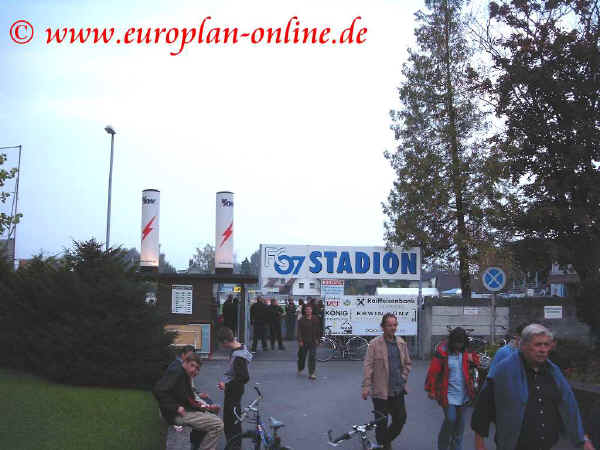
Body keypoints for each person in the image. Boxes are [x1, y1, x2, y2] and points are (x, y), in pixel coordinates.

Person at [471, 324, 592, 450]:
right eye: (538, 344)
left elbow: (569, 406)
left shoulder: (554, 373)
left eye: (546, 345)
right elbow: (483, 410)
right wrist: (480, 446)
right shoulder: (504, 372)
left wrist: (583, 439)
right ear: (523, 346)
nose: (543, 349)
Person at [361, 313, 412, 450]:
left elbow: (407, 363)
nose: (392, 328)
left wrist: (403, 377)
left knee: (400, 419)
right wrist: (366, 386)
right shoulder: (374, 344)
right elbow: (368, 365)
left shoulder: (401, 343)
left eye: (394, 325)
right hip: (380, 391)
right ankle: (385, 445)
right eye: (389, 325)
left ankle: (383, 442)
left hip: (397, 390)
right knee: (381, 423)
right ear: (383, 327)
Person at [153, 353, 223, 450]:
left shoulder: (185, 375)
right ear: (185, 362)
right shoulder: (177, 372)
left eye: (197, 368)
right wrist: (176, 407)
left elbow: (190, 400)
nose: (194, 370)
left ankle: (196, 445)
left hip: (182, 411)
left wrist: (207, 408)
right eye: (192, 365)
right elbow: (158, 390)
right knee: (217, 424)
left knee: (212, 416)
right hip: (175, 415)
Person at [425, 327, 480, 450]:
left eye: (461, 343)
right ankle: (443, 445)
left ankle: (456, 447)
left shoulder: (466, 352)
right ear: (452, 341)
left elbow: (477, 363)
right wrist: (431, 390)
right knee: (450, 419)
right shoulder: (443, 352)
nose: (458, 346)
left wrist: (473, 360)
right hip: (447, 394)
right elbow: (433, 371)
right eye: (456, 343)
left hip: (464, 394)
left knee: (460, 425)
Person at [217, 327, 252, 450]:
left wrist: (226, 385)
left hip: (234, 390)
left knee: (231, 421)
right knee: (234, 417)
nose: (222, 346)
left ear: (226, 341)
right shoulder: (240, 347)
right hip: (235, 389)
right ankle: (234, 445)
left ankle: (234, 446)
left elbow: (244, 377)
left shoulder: (238, 357)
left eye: (222, 343)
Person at [297, 304, 321, 380]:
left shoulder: (315, 319)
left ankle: (312, 373)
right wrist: (300, 340)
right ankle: (300, 367)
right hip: (303, 341)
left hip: (313, 341)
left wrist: (318, 339)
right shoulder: (301, 319)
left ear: (312, 310)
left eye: (309, 309)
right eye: (307, 309)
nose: (308, 311)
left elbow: (319, 330)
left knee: (312, 357)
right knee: (302, 356)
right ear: (304, 310)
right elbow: (299, 331)